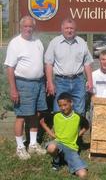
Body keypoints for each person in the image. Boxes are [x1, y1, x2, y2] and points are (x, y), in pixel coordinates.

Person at [4, 15, 47, 160]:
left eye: (30, 26)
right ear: (21, 27)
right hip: (22, 84)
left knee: (35, 114)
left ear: (33, 27)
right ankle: (20, 147)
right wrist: (13, 89)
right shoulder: (15, 43)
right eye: (25, 26)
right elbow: (10, 67)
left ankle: (33, 145)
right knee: (21, 116)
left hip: (39, 83)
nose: (28, 29)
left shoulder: (38, 42)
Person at [45, 18, 93, 115]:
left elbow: (87, 63)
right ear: (62, 28)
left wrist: (90, 81)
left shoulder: (81, 42)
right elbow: (48, 64)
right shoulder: (55, 42)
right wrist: (50, 82)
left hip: (78, 81)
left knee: (79, 109)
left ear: (75, 29)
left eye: (71, 28)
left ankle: (77, 130)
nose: (69, 30)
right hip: (61, 82)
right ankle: (60, 130)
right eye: (67, 28)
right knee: (59, 110)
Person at [46, 92, 89, 178]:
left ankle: (65, 159)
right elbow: (42, 122)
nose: (63, 108)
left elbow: (87, 126)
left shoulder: (78, 117)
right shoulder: (56, 115)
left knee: (83, 174)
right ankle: (56, 161)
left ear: (71, 103)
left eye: (65, 105)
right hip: (58, 144)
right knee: (51, 147)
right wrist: (52, 134)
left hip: (71, 148)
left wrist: (78, 134)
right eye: (60, 105)